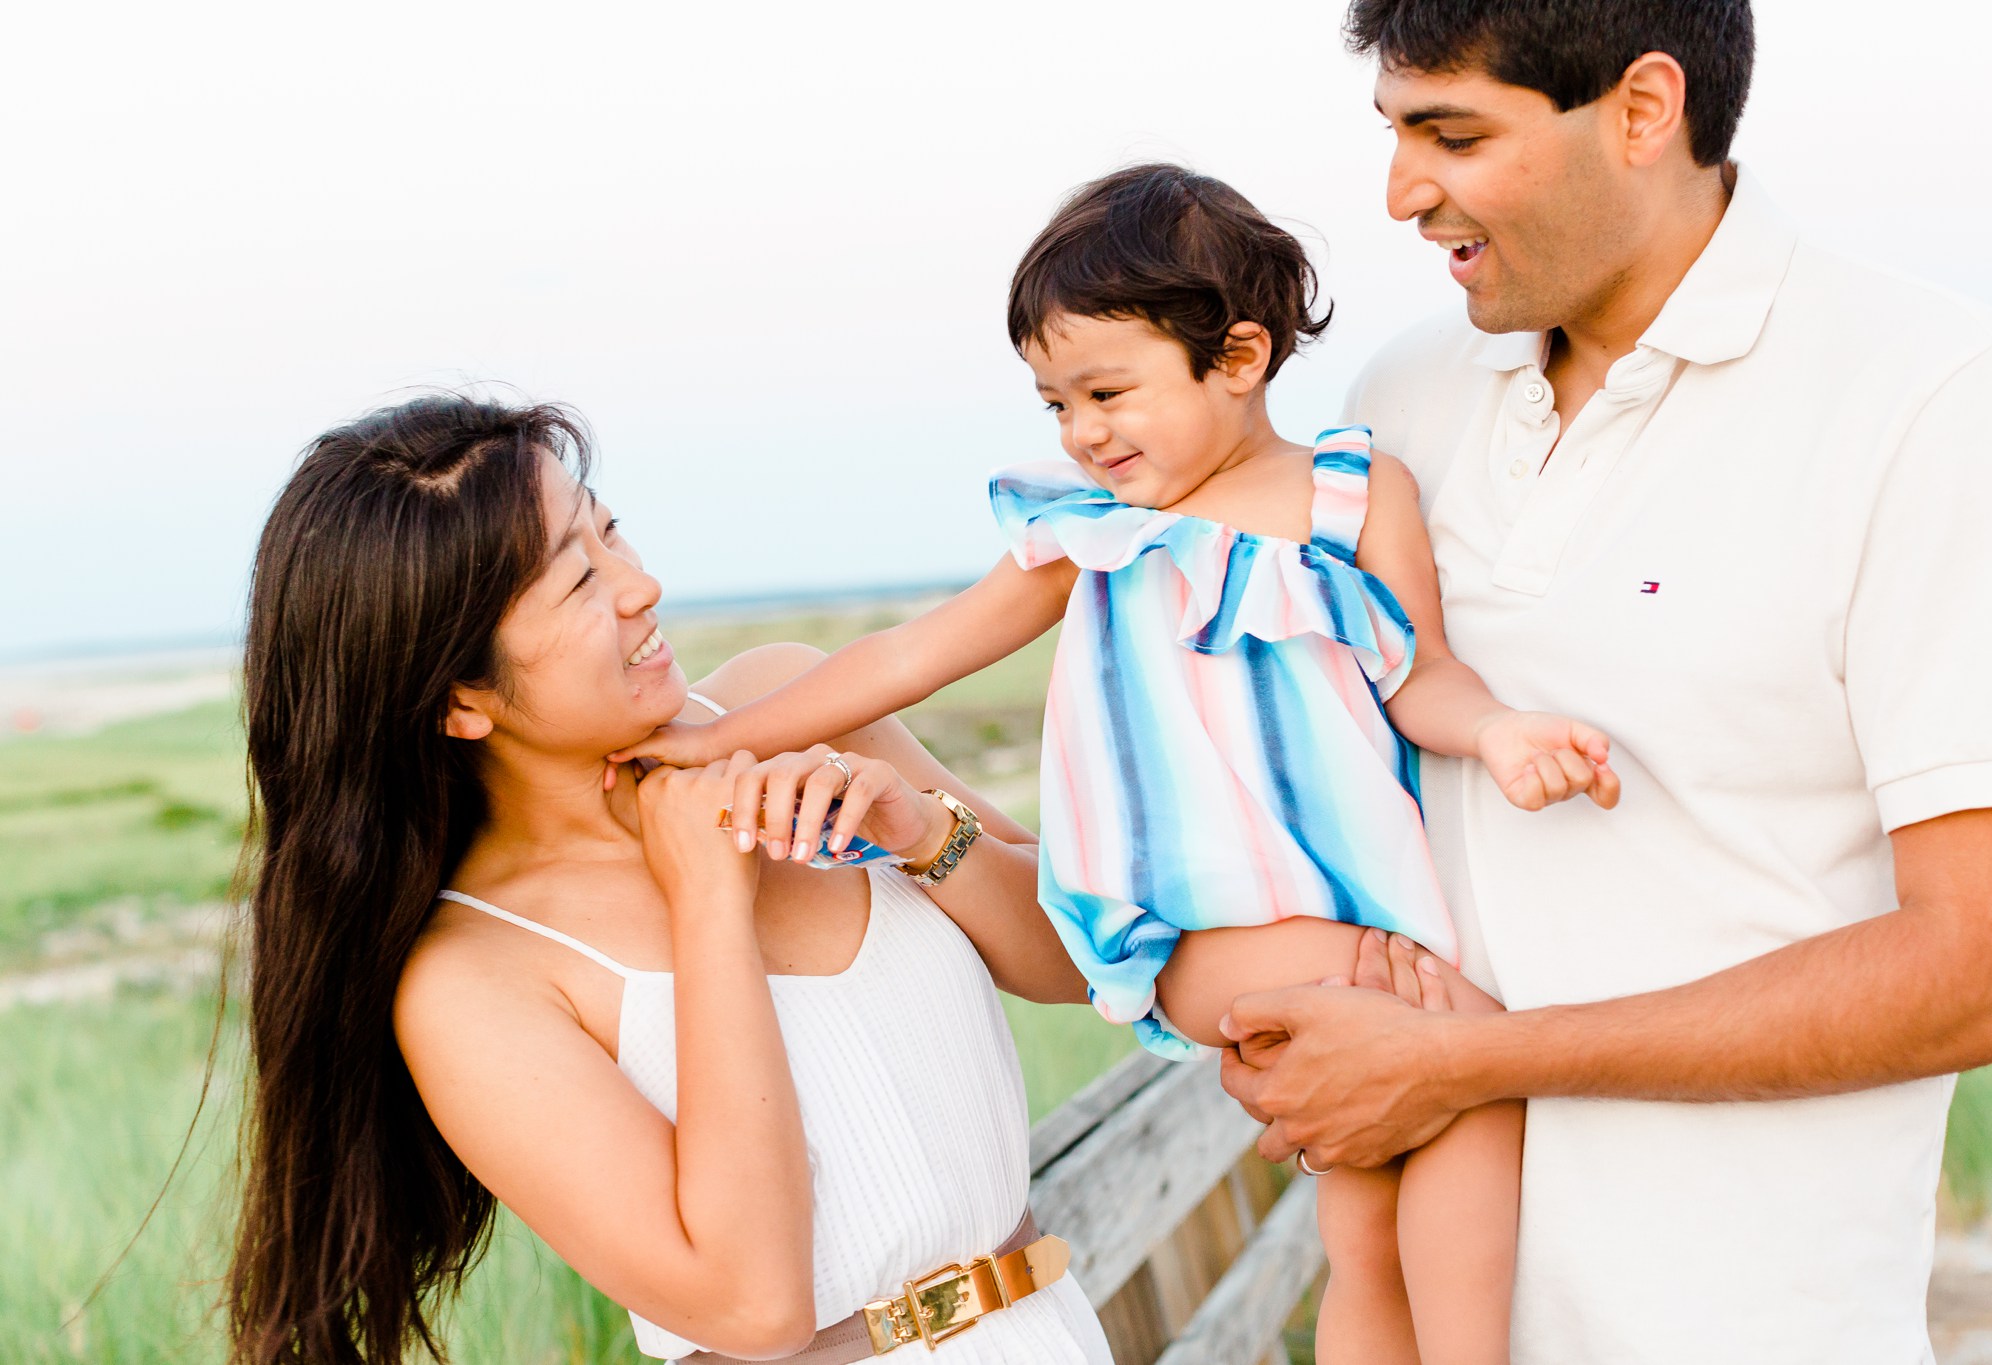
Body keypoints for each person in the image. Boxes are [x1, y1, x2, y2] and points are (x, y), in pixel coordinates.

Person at [609, 163, 1619, 1365]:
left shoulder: (1353, 500)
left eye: (1106, 391)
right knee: (1463, 1066)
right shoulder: (1084, 536)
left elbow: (1422, 672)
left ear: (1238, 357)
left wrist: (1501, 732)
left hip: (1370, 906)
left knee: (1380, 1208)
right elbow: (913, 654)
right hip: (1197, 934)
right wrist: (719, 735)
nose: (1082, 431)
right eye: (1054, 405)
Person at [1216, 3, 1992, 1363]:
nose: (1399, 191)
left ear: (1644, 110)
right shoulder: (1401, 399)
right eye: (1394, 132)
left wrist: (1465, 1066)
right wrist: (928, 821)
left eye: (1454, 134)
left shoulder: (1928, 393)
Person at [224, 395, 1114, 1365]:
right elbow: (751, 1308)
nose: (640, 586)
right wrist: (706, 905)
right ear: (461, 700)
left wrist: (917, 828)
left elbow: (1083, 963)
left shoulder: (799, 700)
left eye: (609, 531)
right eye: (577, 584)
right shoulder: (474, 981)